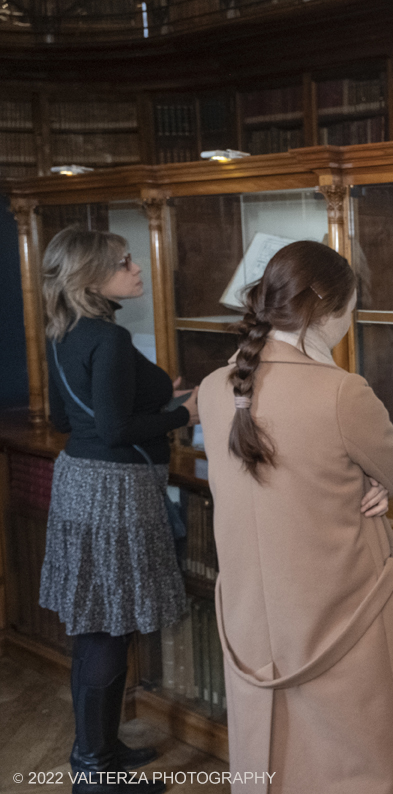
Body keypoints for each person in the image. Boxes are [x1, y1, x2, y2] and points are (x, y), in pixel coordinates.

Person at [196, 241, 393, 794]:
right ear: (326, 308)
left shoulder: (216, 388)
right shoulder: (341, 391)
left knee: (277, 761)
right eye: (350, 311)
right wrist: (375, 477)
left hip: (254, 619)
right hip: (347, 611)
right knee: (373, 759)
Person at [40, 226, 195, 794]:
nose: (137, 269)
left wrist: (154, 397)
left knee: (96, 626)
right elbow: (115, 429)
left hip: (80, 485)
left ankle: (98, 751)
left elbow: (65, 420)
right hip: (115, 494)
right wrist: (186, 412)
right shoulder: (107, 339)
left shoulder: (64, 331)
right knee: (106, 628)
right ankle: (93, 772)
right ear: (92, 276)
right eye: (125, 262)